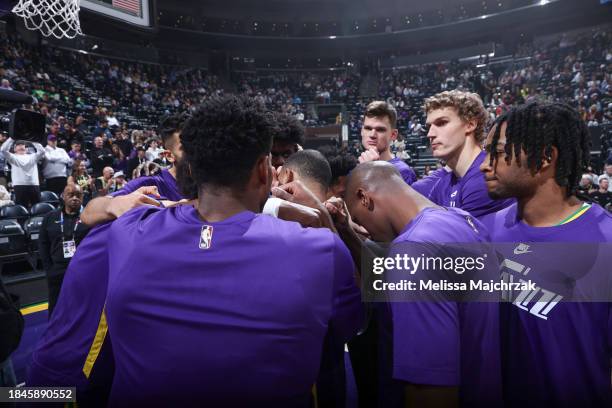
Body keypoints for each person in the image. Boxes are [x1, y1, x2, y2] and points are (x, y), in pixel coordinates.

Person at [103, 95, 362, 405]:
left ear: (191, 168)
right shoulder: (319, 248)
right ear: (264, 170)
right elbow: (354, 324)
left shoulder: (127, 232)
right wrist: (325, 221)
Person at [328, 161, 501, 407]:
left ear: (364, 197)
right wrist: (346, 230)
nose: (365, 230)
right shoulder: (462, 219)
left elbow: (429, 389)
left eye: (358, 219)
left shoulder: (413, 251)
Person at [479, 101, 612, 407]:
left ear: (545, 158)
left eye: (498, 153)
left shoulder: (606, 242)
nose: (485, 164)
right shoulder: (484, 231)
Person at [412, 90, 513, 217]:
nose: (430, 134)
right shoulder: (446, 180)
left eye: (442, 123)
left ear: (470, 125)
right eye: (429, 126)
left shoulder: (487, 177)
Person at [38, 183, 90, 317]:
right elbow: (43, 244)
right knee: (56, 307)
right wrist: (49, 268)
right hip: (57, 270)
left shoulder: (90, 217)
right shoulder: (50, 217)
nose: (75, 198)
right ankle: (54, 334)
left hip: (82, 270)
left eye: (78, 195)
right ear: (63, 196)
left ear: (83, 197)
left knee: (83, 306)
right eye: (70, 195)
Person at [359, 101, 417, 185]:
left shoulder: (402, 172)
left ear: (393, 135)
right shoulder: (355, 169)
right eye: (368, 128)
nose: (372, 135)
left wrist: (374, 171)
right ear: (361, 131)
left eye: (380, 130)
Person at [0, 137, 45, 208]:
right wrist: (12, 138)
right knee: (21, 210)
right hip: (19, 186)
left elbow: (42, 151)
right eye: (18, 145)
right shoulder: (12, 157)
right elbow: (3, 150)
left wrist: (33, 140)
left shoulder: (33, 156)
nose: (21, 146)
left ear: (26, 149)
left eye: (23, 144)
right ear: (14, 149)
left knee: (37, 209)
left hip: (34, 185)